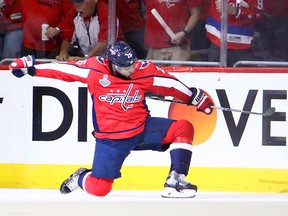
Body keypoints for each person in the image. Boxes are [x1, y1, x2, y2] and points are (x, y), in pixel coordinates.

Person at [9, 41, 214, 198]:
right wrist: (30, 68)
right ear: (112, 64)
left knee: (183, 128)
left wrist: (194, 95)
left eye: (132, 65)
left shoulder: (143, 70)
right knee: (100, 189)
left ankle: (175, 180)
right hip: (111, 141)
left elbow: (169, 84)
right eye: (125, 68)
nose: (130, 70)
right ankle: (80, 177)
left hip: (142, 129)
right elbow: (62, 71)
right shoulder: (94, 69)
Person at [54, 0, 123, 61]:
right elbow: (67, 38)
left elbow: (104, 42)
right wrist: (63, 52)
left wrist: (86, 58)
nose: (76, 7)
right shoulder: (73, 13)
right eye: (74, 3)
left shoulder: (106, 12)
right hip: (87, 60)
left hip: (111, 60)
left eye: (80, 3)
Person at [205, 0, 264, 66]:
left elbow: (258, 15)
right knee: (214, 75)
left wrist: (236, 11)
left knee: (241, 75)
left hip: (241, 46)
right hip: (216, 42)